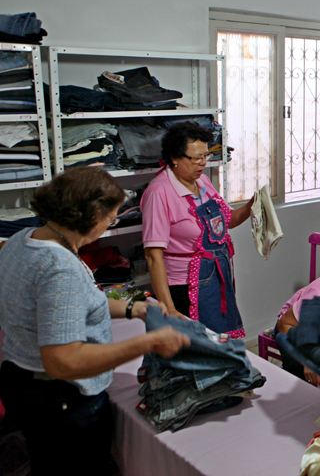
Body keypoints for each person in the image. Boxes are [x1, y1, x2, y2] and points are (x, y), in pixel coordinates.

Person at [0, 168, 189, 475]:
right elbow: (63, 361)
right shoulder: (59, 267)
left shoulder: (23, 240)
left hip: (20, 380)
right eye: (111, 219)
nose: (109, 225)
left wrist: (132, 309)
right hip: (60, 400)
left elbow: (71, 302)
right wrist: (149, 342)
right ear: (90, 217)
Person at [142, 121, 254, 336]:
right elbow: (153, 256)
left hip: (216, 277)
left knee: (219, 343)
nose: (202, 163)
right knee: (197, 348)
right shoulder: (159, 193)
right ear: (174, 158)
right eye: (195, 158)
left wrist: (253, 205)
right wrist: (169, 308)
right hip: (184, 288)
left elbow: (227, 221)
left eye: (206, 156)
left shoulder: (202, 182)